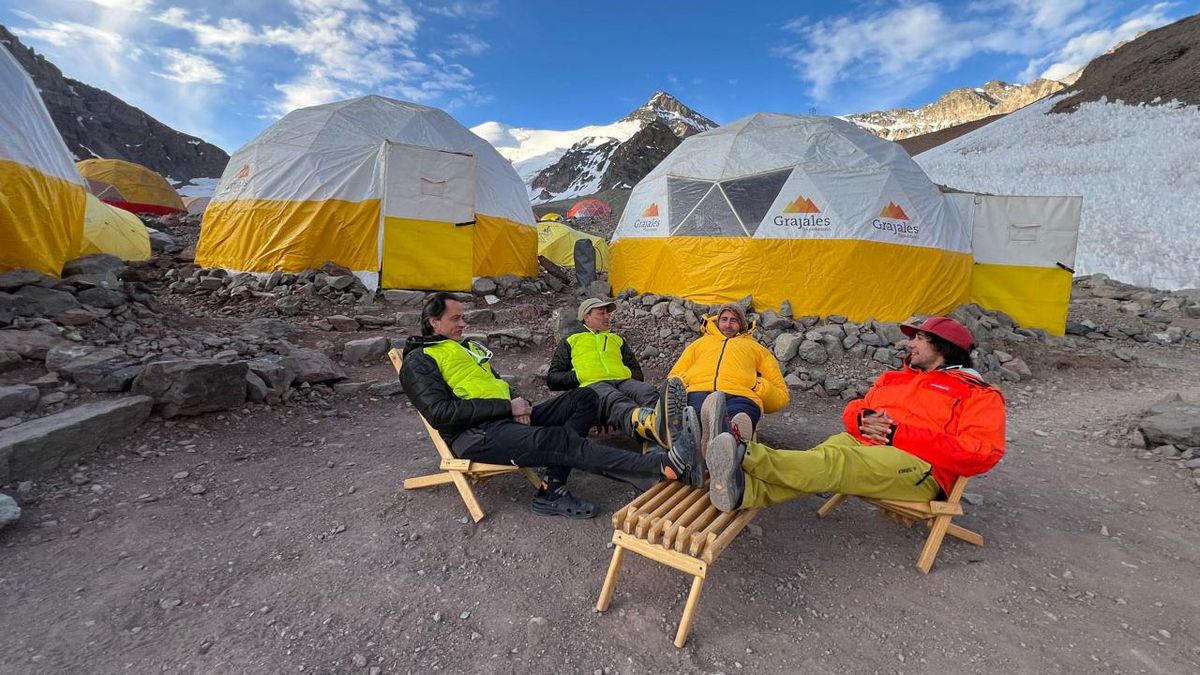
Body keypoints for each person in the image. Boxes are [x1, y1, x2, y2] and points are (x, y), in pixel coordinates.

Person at [399, 292, 703, 519]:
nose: (464, 323)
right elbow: (441, 415)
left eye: (463, 317)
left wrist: (520, 405)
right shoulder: (418, 360)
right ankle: (662, 465)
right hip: (475, 434)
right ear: (433, 322)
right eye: (456, 318)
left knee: (586, 398)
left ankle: (552, 486)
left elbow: (498, 387)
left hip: (505, 419)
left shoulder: (463, 349)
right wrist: (508, 409)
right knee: (559, 438)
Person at [703, 316, 1006, 513]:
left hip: (920, 467)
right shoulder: (895, 378)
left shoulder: (977, 393)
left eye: (919, 339)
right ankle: (744, 492)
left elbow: (981, 454)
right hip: (866, 445)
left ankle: (742, 453)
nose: (910, 343)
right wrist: (862, 421)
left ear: (944, 347)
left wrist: (898, 434)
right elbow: (854, 410)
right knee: (827, 453)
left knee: (837, 462)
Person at [547, 298, 665, 445]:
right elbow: (553, 379)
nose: (607, 316)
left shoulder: (616, 339)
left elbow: (636, 371)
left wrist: (623, 374)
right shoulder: (571, 341)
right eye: (601, 313)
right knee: (615, 399)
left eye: (608, 313)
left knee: (647, 391)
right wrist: (580, 376)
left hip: (623, 382)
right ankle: (650, 433)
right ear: (586, 317)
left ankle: (663, 427)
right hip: (593, 386)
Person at [668, 302, 789, 441]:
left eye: (734, 320)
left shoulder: (757, 349)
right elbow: (674, 376)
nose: (728, 325)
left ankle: (727, 441)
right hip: (700, 390)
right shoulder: (699, 344)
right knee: (695, 415)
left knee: (740, 416)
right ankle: (719, 442)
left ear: (742, 325)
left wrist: (757, 386)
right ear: (718, 321)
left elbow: (781, 395)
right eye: (724, 319)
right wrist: (686, 382)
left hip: (740, 396)